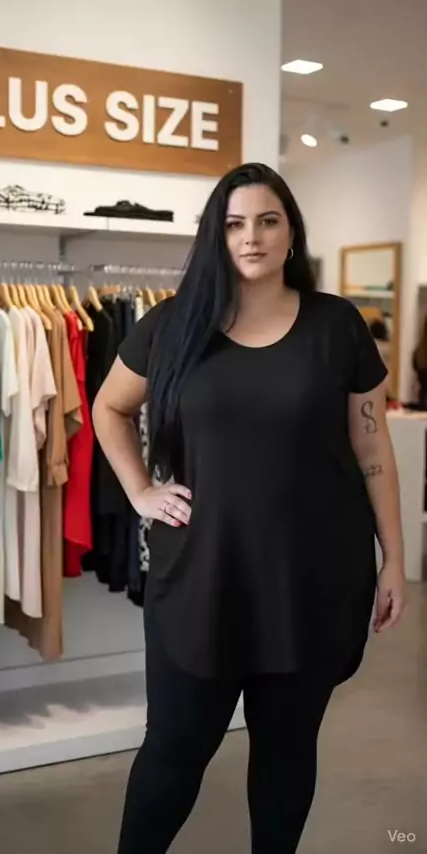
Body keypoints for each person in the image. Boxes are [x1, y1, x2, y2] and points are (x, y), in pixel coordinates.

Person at [92, 163, 407, 854]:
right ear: (216, 235)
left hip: (313, 578)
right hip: (202, 576)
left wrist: (394, 559)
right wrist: (141, 491)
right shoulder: (173, 325)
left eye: (268, 221)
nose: (252, 237)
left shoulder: (337, 326)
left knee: (287, 753)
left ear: (291, 232)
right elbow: (108, 407)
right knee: (174, 750)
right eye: (234, 224)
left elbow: (371, 443)